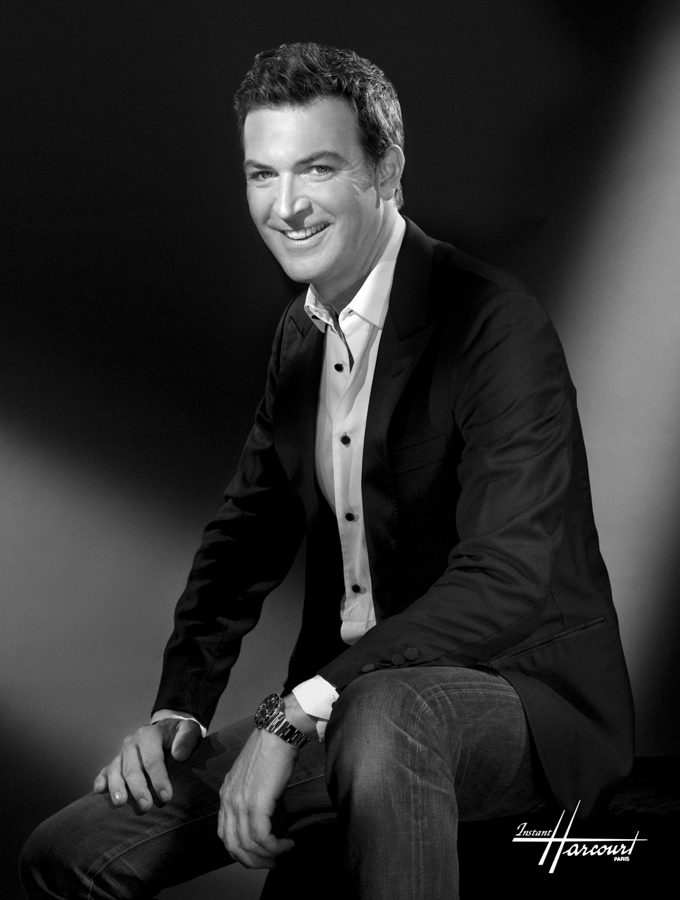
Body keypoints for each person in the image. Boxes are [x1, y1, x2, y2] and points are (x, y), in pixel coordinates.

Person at [20, 42, 634, 900]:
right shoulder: (301, 337)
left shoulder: (495, 326)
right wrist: (178, 707)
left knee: (386, 714)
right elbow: (243, 537)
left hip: (521, 701)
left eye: (316, 168)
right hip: (340, 701)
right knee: (69, 850)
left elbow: (506, 579)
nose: (286, 206)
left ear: (386, 170)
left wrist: (290, 714)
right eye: (262, 175)